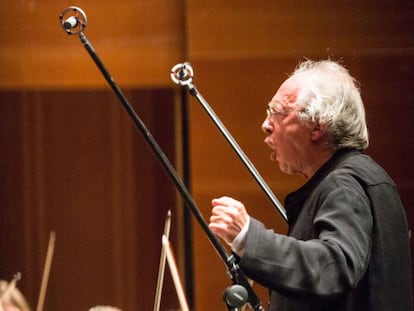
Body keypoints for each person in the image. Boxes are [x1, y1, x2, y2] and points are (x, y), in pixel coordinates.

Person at [208, 59, 413, 311]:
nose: (265, 125)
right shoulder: (361, 178)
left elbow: (333, 267)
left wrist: (250, 238)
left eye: (277, 112)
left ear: (317, 126)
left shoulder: (345, 185)